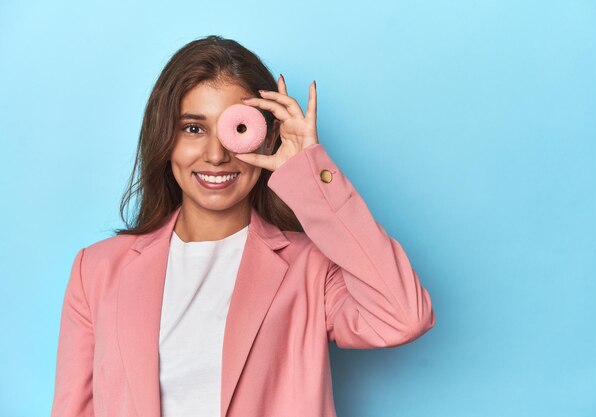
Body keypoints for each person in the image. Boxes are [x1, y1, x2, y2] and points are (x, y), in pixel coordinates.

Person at [50, 34, 436, 417]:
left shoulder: (310, 269)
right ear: (165, 139)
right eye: (193, 128)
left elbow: (403, 316)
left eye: (235, 129)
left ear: (267, 138)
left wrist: (310, 173)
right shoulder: (97, 271)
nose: (216, 155)